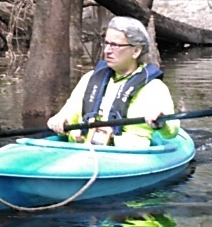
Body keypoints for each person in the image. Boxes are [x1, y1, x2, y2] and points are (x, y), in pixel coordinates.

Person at [46, 16, 180, 148]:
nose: (107, 51)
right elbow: (69, 113)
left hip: (126, 157)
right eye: (106, 43)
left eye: (115, 45)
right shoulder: (90, 78)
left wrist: (161, 122)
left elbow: (172, 131)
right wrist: (59, 119)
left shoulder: (153, 88)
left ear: (136, 51)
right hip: (82, 149)